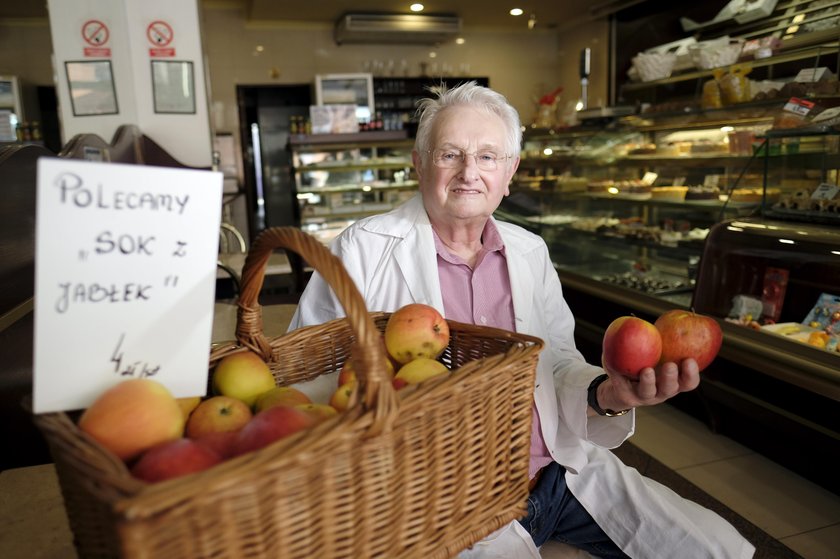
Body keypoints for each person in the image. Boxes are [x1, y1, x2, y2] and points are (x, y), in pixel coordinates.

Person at [288, 82, 755, 559]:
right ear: (420, 162)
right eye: (450, 154)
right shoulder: (362, 250)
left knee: (716, 549)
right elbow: (308, 383)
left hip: (557, 475)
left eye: (489, 157)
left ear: (509, 173)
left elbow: (557, 368)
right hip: (439, 503)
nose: (470, 172)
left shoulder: (530, 252)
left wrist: (610, 394)